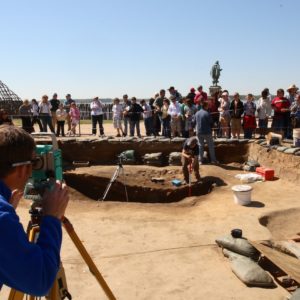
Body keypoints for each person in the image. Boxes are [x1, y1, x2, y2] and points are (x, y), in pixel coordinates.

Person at [0, 125, 69, 296]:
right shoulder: (2, 218)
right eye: (33, 163)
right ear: (24, 168)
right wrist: (52, 218)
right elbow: (40, 281)